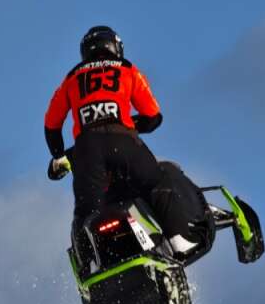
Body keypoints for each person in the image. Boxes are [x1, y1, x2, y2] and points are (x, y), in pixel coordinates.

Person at [44, 25, 200, 254]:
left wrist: (58, 156)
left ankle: (87, 268)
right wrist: (129, 122)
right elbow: (153, 116)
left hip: (87, 149)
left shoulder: (71, 77)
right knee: (158, 183)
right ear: (115, 47)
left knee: (86, 212)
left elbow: (51, 124)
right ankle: (179, 241)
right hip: (124, 141)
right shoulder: (127, 69)